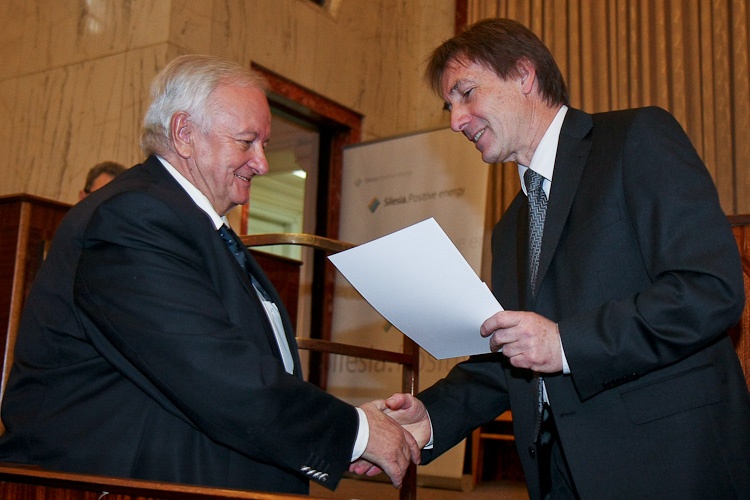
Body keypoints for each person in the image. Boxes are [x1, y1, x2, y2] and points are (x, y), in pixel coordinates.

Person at [354, 18, 750, 499]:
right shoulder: (509, 227)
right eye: (449, 106)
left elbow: (709, 289)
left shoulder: (634, 138)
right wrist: (430, 420)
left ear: (524, 75)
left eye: (466, 93)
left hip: (670, 463)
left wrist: (565, 343)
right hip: (559, 473)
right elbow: (511, 355)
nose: (455, 120)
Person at [0, 55, 419, 495]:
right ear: (184, 133)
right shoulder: (132, 217)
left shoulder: (189, 223)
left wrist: (345, 430)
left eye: (263, 144)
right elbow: (215, 375)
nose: (262, 163)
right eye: (246, 142)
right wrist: (356, 433)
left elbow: (241, 370)